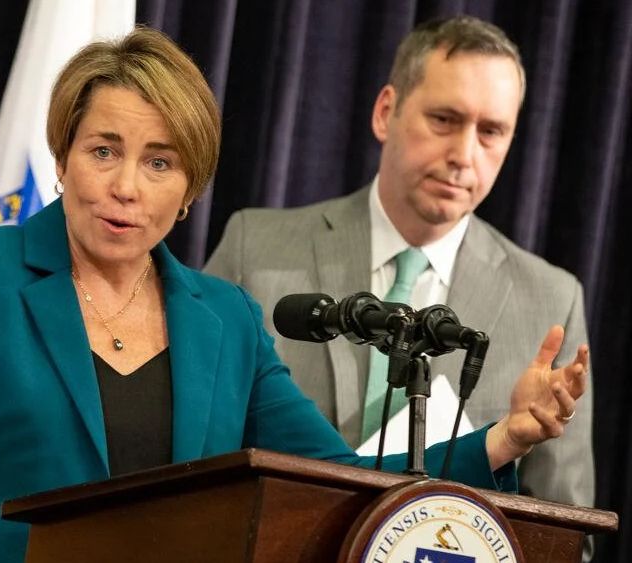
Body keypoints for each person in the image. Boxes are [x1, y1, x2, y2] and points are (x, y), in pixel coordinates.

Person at [0, 27, 588, 563]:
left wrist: (503, 439)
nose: (123, 187)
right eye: (103, 150)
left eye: (158, 163)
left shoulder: (225, 321)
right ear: (64, 155)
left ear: (187, 189)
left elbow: (337, 483)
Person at [204, 14, 595, 552]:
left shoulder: (551, 299)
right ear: (386, 111)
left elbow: (571, 535)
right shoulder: (257, 249)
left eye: (490, 132)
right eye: (444, 119)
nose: (464, 154)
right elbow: (194, 451)